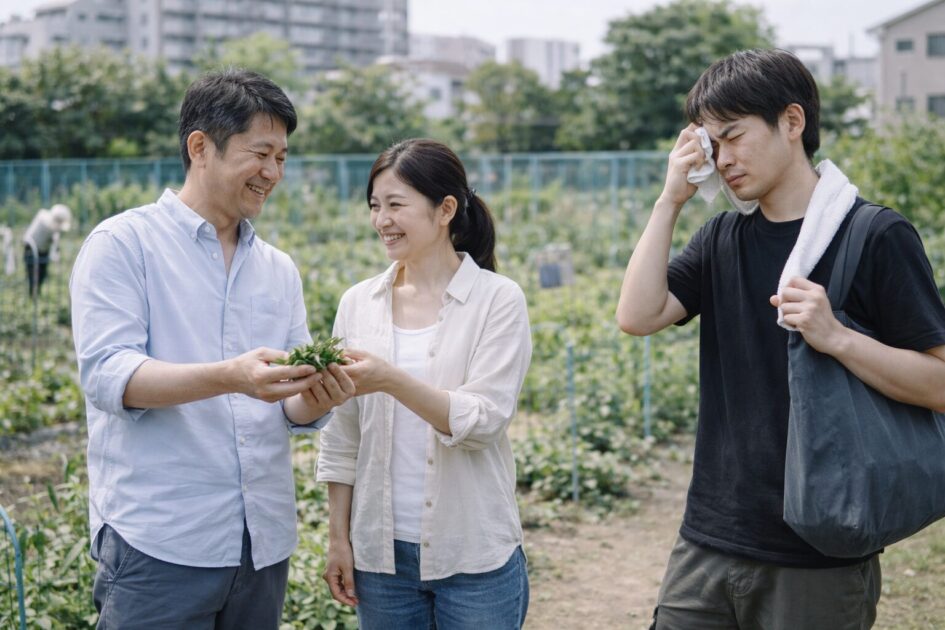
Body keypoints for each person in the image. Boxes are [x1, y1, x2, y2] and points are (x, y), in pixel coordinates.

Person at [616, 48, 945, 629]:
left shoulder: (874, 235)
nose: (722, 158)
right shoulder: (723, 236)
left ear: (792, 123)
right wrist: (670, 200)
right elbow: (637, 315)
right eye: (711, 143)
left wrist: (837, 336)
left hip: (819, 548)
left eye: (734, 136)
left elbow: (940, 383)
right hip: (709, 538)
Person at [69, 69, 355, 630]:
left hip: (260, 542)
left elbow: (288, 408)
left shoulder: (277, 268)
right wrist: (231, 376)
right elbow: (111, 376)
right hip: (161, 541)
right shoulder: (123, 245)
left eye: (283, 158)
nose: (273, 173)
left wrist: (320, 396)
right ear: (200, 146)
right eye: (260, 154)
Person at [316, 138, 532, 629]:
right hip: (382, 559)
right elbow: (342, 434)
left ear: (445, 210)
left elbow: (483, 421)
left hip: (474, 553)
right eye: (374, 206)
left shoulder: (497, 300)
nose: (381, 220)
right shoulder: (358, 303)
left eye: (396, 205)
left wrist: (390, 379)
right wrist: (338, 538)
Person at [23, 203, 71, 296]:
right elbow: (53, 235)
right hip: (31, 248)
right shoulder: (45, 221)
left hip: (42, 250)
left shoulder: (50, 222)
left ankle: (37, 293)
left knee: (42, 273)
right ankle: (32, 294)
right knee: (33, 274)